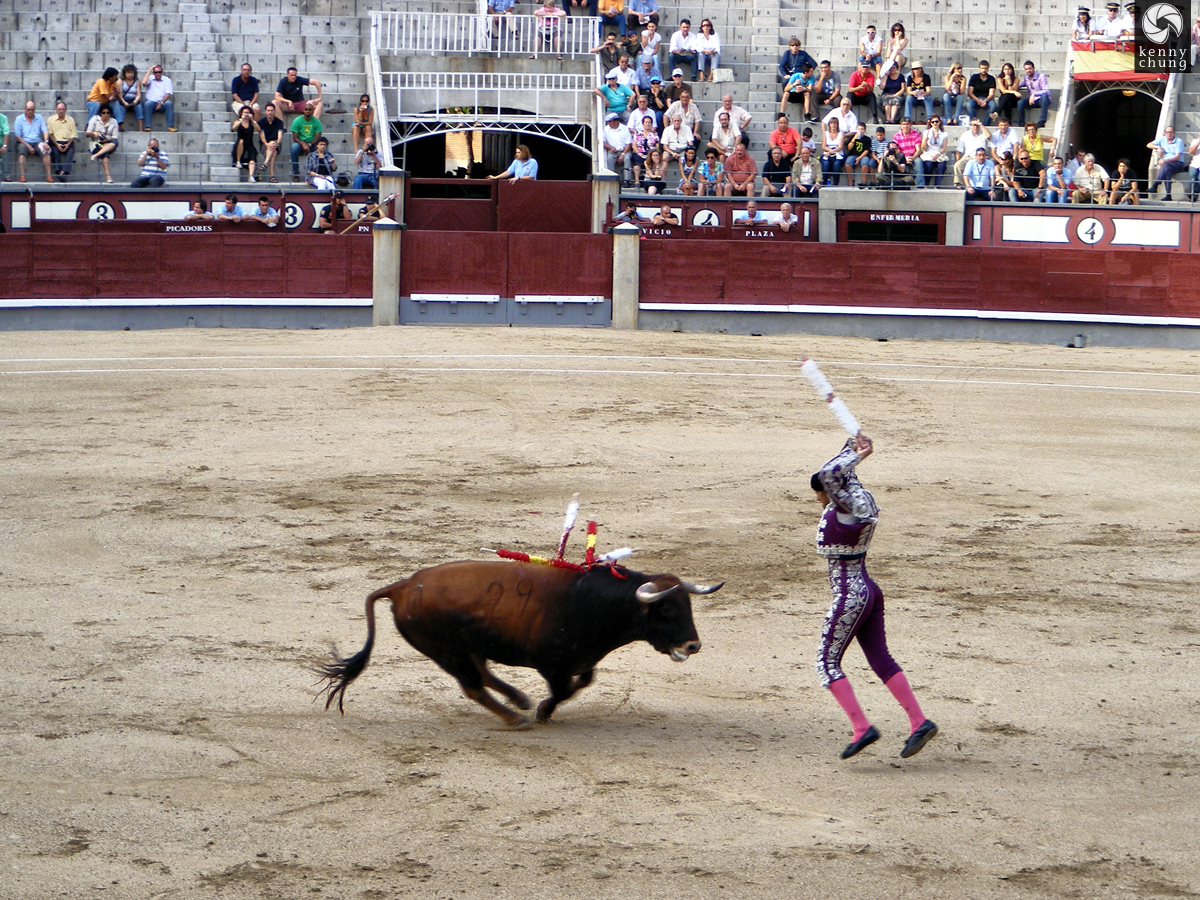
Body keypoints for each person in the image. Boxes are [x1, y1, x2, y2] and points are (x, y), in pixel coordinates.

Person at [810, 434, 938, 761]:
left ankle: (860, 727)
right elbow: (835, 473)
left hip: (850, 594)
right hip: (869, 589)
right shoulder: (860, 500)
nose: (819, 498)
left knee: (826, 663)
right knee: (880, 659)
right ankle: (918, 722)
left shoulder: (843, 503)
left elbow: (829, 474)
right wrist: (851, 445)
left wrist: (859, 454)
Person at [12, 101, 52, 183]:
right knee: (22, 152)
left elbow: (45, 130)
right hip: (24, 142)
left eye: (32, 110)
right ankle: (22, 175)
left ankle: (49, 175)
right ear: (25, 109)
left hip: (37, 141)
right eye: (29, 109)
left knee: (46, 152)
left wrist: (46, 141)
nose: (30, 111)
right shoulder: (19, 119)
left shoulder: (39, 118)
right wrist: (28, 146)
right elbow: (17, 136)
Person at [1148, 125, 1187, 200]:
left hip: (1177, 163)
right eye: (1167, 132)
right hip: (1167, 164)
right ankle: (1168, 195)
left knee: (1165, 165)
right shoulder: (1162, 139)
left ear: (1174, 133)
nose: (1169, 134)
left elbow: (1177, 157)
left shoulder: (1178, 141)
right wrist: (1159, 147)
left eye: (1171, 132)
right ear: (1165, 133)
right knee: (1167, 170)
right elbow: (1148, 145)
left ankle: (1156, 184)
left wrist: (1164, 160)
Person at [289, 102, 323, 182]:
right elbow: (295, 137)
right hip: (300, 143)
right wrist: (303, 144)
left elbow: (318, 137)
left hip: (313, 143)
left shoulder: (317, 122)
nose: (308, 111)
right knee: (294, 148)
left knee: (324, 149)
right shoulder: (297, 121)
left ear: (313, 111)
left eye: (310, 110)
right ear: (303, 110)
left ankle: (320, 173)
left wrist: (310, 144)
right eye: (306, 109)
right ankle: (296, 173)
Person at [85, 104, 119, 183]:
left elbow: (115, 137)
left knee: (115, 142)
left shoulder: (113, 121)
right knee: (105, 154)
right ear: (100, 113)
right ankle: (108, 177)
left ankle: (95, 156)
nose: (106, 115)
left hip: (108, 143)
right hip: (96, 143)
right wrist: (94, 133)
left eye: (108, 113)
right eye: (103, 113)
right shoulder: (94, 119)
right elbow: (87, 134)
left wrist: (107, 139)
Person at [952, 117, 990, 188]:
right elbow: (959, 149)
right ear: (971, 125)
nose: (975, 127)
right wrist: (957, 159)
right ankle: (958, 185)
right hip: (968, 158)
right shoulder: (965, 134)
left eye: (977, 125)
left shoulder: (983, 133)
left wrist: (980, 124)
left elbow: (989, 136)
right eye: (973, 125)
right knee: (957, 165)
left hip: (981, 158)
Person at [46, 101, 77, 182]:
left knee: (70, 151)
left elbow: (73, 135)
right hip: (55, 142)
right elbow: (50, 134)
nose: (61, 111)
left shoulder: (71, 120)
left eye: (63, 109)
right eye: (59, 109)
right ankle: (59, 171)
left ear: (66, 110)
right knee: (55, 152)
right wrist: (57, 144)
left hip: (68, 141)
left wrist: (67, 145)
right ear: (56, 110)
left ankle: (64, 172)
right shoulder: (51, 120)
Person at [915, 115, 948, 187]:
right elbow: (923, 148)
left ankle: (937, 185)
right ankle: (926, 184)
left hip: (939, 154)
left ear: (939, 122)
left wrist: (938, 153)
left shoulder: (944, 133)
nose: (935, 123)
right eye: (933, 122)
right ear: (930, 123)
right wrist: (925, 141)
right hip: (928, 153)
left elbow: (944, 148)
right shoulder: (926, 132)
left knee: (942, 165)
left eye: (936, 121)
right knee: (928, 165)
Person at [231, 105, 263, 180]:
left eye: (248, 112)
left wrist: (252, 120)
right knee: (241, 141)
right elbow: (233, 128)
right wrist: (241, 120)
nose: (246, 114)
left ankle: (250, 176)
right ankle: (238, 161)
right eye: (244, 112)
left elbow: (259, 129)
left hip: (249, 143)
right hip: (240, 142)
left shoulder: (252, 123)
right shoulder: (238, 121)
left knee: (252, 157)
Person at [142, 63, 175, 131]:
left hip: (162, 102)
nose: (157, 74)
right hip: (151, 103)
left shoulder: (167, 80)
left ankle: (170, 127)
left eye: (159, 72)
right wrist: (149, 70)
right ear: (153, 73)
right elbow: (144, 83)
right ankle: (148, 126)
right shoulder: (150, 78)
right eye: (155, 72)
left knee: (169, 104)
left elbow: (168, 94)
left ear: (162, 72)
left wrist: (161, 103)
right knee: (147, 104)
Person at [1016, 61, 1050, 128]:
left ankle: (1042, 121)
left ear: (1033, 68)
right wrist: (1014, 86)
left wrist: (1034, 94)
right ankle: (1021, 123)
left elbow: (1046, 90)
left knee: (1044, 96)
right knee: (1020, 103)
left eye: (1030, 68)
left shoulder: (1041, 76)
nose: (1028, 70)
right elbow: (1022, 84)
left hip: (1041, 100)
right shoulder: (1026, 78)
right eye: (1026, 69)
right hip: (1032, 100)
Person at [601, 112, 634, 182]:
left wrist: (623, 154)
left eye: (610, 121)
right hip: (613, 151)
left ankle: (627, 181)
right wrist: (611, 148)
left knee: (627, 159)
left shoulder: (625, 128)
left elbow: (628, 143)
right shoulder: (606, 129)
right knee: (609, 159)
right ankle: (611, 180)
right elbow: (601, 141)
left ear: (616, 121)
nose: (608, 123)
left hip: (625, 150)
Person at [257, 103, 285, 183]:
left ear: (274, 111)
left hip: (276, 144)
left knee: (273, 144)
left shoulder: (279, 122)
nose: (270, 112)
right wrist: (267, 144)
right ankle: (271, 176)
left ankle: (265, 164)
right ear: (265, 112)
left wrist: (276, 143)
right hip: (264, 145)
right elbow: (262, 136)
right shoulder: (261, 122)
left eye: (272, 110)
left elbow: (279, 136)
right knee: (274, 152)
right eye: (268, 110)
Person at [847, 61, 878, 125]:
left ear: (869, 69)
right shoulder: (854, 74)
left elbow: (871, 90)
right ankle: (849, 114)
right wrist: (858, 88)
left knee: (872, 95)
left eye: (867, 67)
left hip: (865, 97)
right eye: (863, 67)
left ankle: (875, 117)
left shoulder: (871, 76)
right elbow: (850, 89)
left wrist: (867, 85)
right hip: (856, 96)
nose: (865, 69)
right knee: (849, 95)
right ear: (860, 68)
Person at [115, 64, 143, 131]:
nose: (130, 74)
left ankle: (140, 129)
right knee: (121, 108)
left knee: (139, 108)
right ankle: (120, 127)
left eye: (132, 72)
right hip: (124, 99)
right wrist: (124, 102)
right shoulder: (120, 81)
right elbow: (119, 94)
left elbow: (138, 94)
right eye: (128, 72)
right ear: (124, 73)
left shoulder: (137, 81)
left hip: (133, 99)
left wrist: (135, 101)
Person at [843, 122, 872, 187]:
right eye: (859, 129)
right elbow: (849, 148)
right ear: (856, 130)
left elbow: (867, 150)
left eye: (862, 129)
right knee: (847, 164)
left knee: (865, 164)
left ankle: (864, 182)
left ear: (864, 130)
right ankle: (850, 182)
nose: (860, 131)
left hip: (863, 155)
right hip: (852, 154)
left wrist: (859, 158)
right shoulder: (852, 137)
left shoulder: (867, 139)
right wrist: (853, 139)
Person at [820, 118, 845, 186]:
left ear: (837, 125)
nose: (833, 125)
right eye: (831, 123)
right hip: (827, 152)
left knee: (836, 165)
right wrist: (829, 151)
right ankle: (824, 183)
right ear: (829, 125)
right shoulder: (826, 133)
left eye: (835, 123)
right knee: (825, 164)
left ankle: (836, 184)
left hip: (838, 153)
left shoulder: (841, 134)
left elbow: (840, 147)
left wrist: (832, 151)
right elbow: (823, 146)